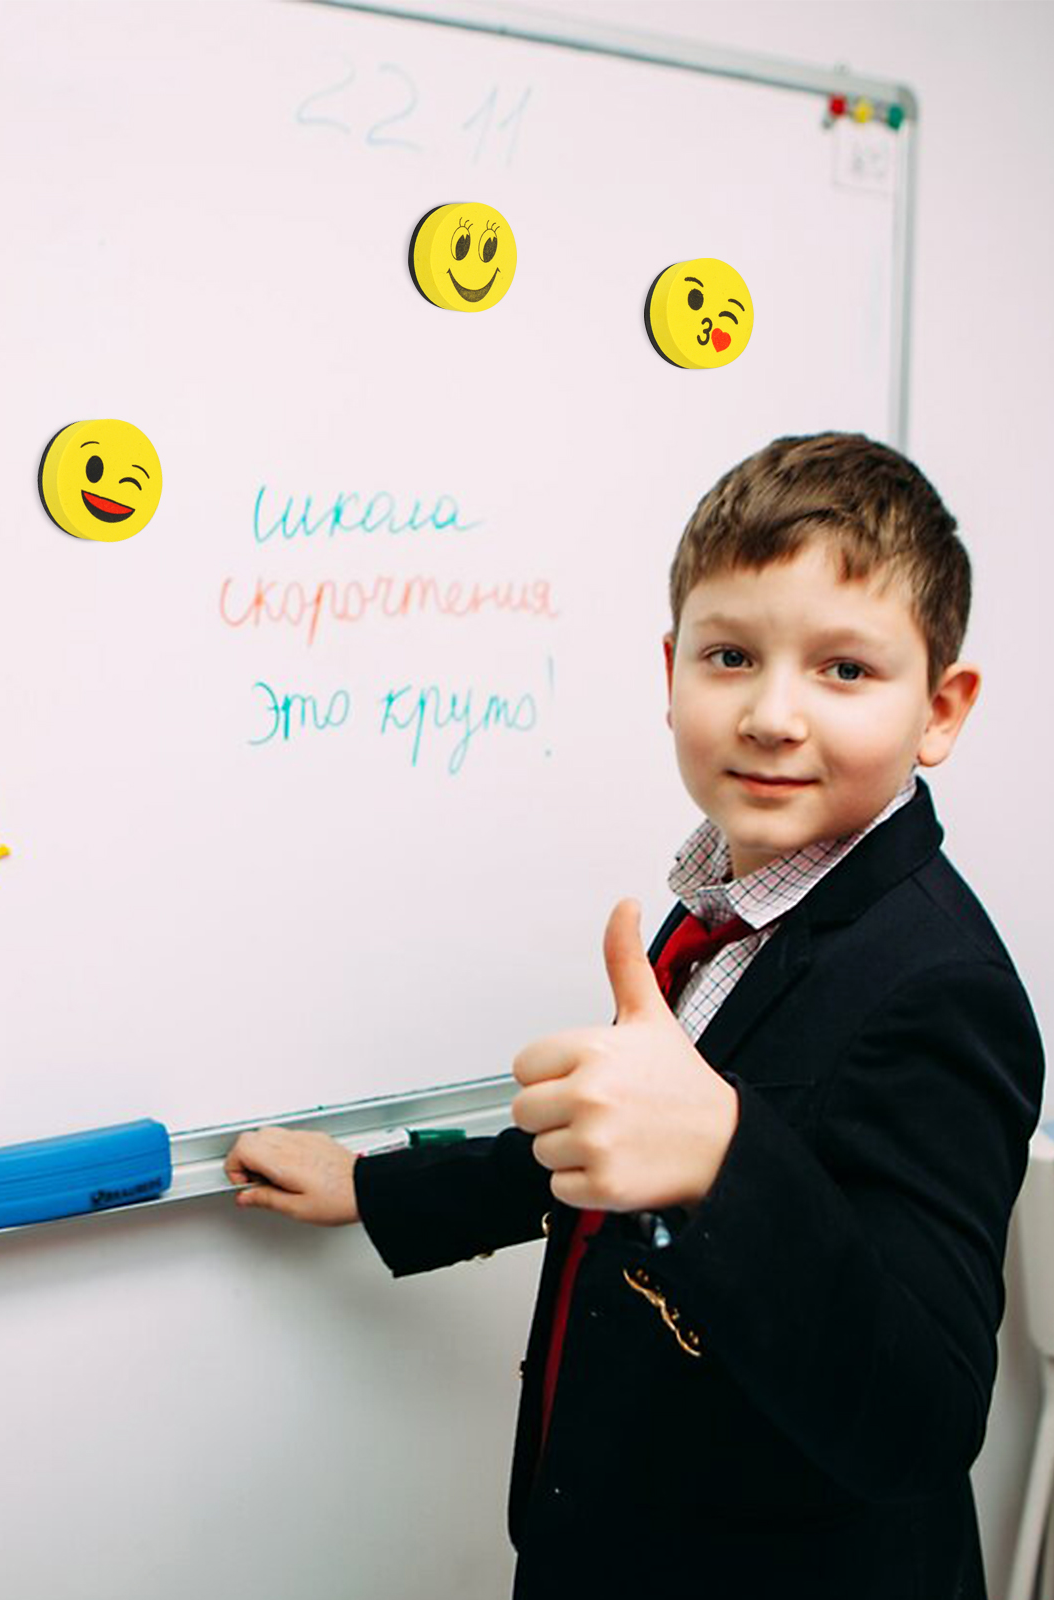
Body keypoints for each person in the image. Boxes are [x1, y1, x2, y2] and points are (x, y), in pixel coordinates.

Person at [226, 433, 1044, 1600]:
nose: (770, 714)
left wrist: (726, 1157)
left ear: (940, 709)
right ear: (670, 673)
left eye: (844, 670)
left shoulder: (940, 988)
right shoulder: (722, 900)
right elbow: (613, 1148)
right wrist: (378, 1188)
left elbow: (921, 1416)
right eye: (729, 655)